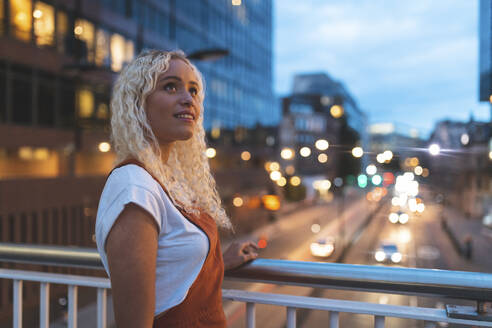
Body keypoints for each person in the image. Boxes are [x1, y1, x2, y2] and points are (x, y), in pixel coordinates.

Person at [95, 50, 259, 328]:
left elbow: (169, 267)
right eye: (170, 86)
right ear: (138, 102)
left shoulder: (169, 180)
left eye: (193, 90)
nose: (188, 98)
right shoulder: (134, 186)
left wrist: (216, 262)